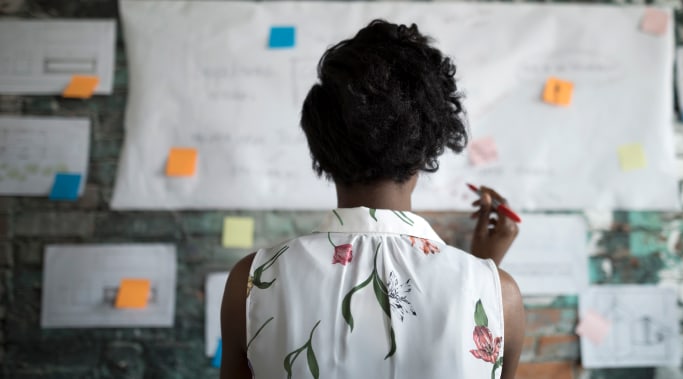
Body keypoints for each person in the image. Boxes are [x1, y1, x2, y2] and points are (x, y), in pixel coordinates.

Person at [220, 19, 525, 379]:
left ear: (322, 144)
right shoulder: (500, 296)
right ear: (428, 146)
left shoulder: (251, 282)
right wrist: (481, 270)